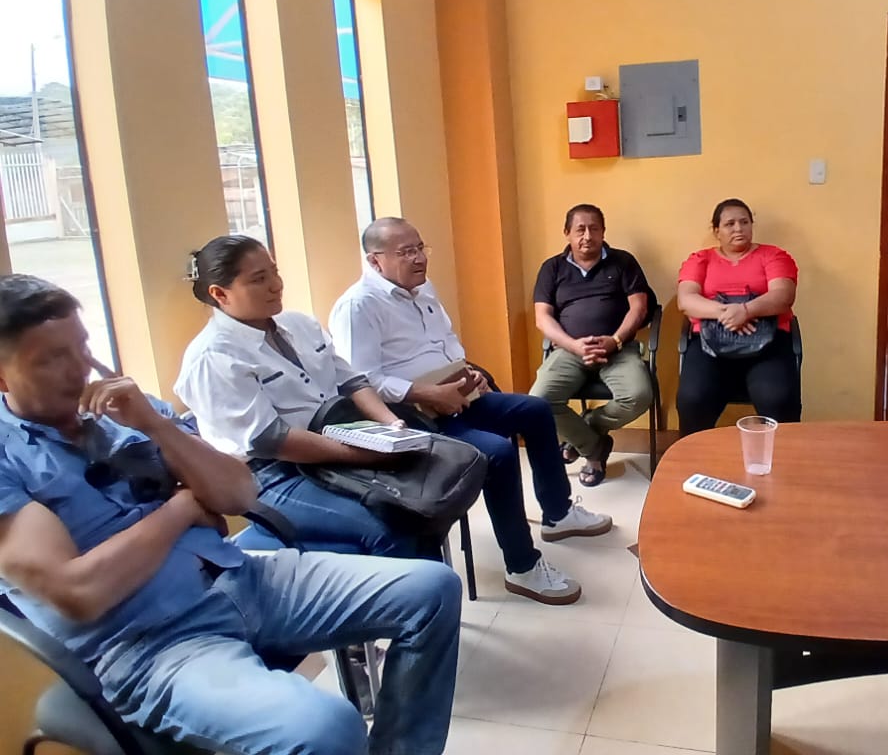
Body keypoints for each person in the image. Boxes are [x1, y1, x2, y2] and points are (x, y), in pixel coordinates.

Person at [0, 274, 461, 755]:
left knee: (431, 589)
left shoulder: (125, 413)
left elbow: (238, 493)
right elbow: (79, 592)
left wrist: (156, 425)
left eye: (82, 347)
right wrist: (182, 508)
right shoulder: (7, 457)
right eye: (51, 359)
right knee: (327, 728)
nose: (79, 369)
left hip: (238, 577)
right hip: (151, 641)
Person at [175, 235, 584, 606]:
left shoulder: (297, 324)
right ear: (220, 294)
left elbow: (352, 380)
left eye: (275, 272)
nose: (276, 285)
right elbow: (273, 440)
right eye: (259, 279)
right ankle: (405, 620)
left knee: (438, 481)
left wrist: (391, 429)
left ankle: (438, 604)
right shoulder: (214, 357)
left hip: (345, 433)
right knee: (399, 519)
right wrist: (365, 453)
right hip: (276, 473)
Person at [329, 217, 612, 595]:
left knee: (535, 409)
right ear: (375, 260)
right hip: (411, 417)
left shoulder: (422, 289)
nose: (419, 259)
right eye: (406, 252)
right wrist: (427, 394)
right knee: (497, 452)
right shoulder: (358, 306)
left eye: (420, 248)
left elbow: (446, 341)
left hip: (455, 395)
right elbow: (361, 382)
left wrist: (468, 372)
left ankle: (558, 513)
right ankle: (522, 566)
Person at [529, 204, 655, 485]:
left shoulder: (623, 262)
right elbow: (542, 317)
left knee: (638, 396)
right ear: (567, 233)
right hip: (569, 350)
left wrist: (616, 340)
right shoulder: (552, 268)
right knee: (539, 402)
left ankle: (587, 427)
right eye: (580, 229)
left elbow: (639, 308)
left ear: (603, 232)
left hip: (618, 349)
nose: (587, 236)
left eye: (594, 229)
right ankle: (594, 449)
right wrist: (573, 345)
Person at [675, 198, 801, 435]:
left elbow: (783, 296)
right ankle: (696, 456)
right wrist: (728, 313)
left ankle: (783, 456)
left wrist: (746, 311)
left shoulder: (773, 255)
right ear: (716, 231)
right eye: (729, 224)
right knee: (692, 398)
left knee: (777, 398)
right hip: (708, 345)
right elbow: (686, 300)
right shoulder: (700, 259)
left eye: (744, 222)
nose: (738, 228)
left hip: (768, 343)